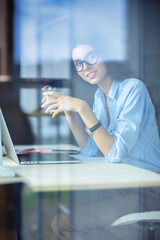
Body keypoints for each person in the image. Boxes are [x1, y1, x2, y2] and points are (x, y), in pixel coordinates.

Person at [41, 36, 160, 240]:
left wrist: (82, 107)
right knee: (64, 217)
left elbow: (113, 153)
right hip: (122, 188)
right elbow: (91, 149)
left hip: (148, 191)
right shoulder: (99, 96)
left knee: (62, 224)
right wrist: (69, 111)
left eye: (91, 57)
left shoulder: (133, 88)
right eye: (78, 63)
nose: (85, 66)